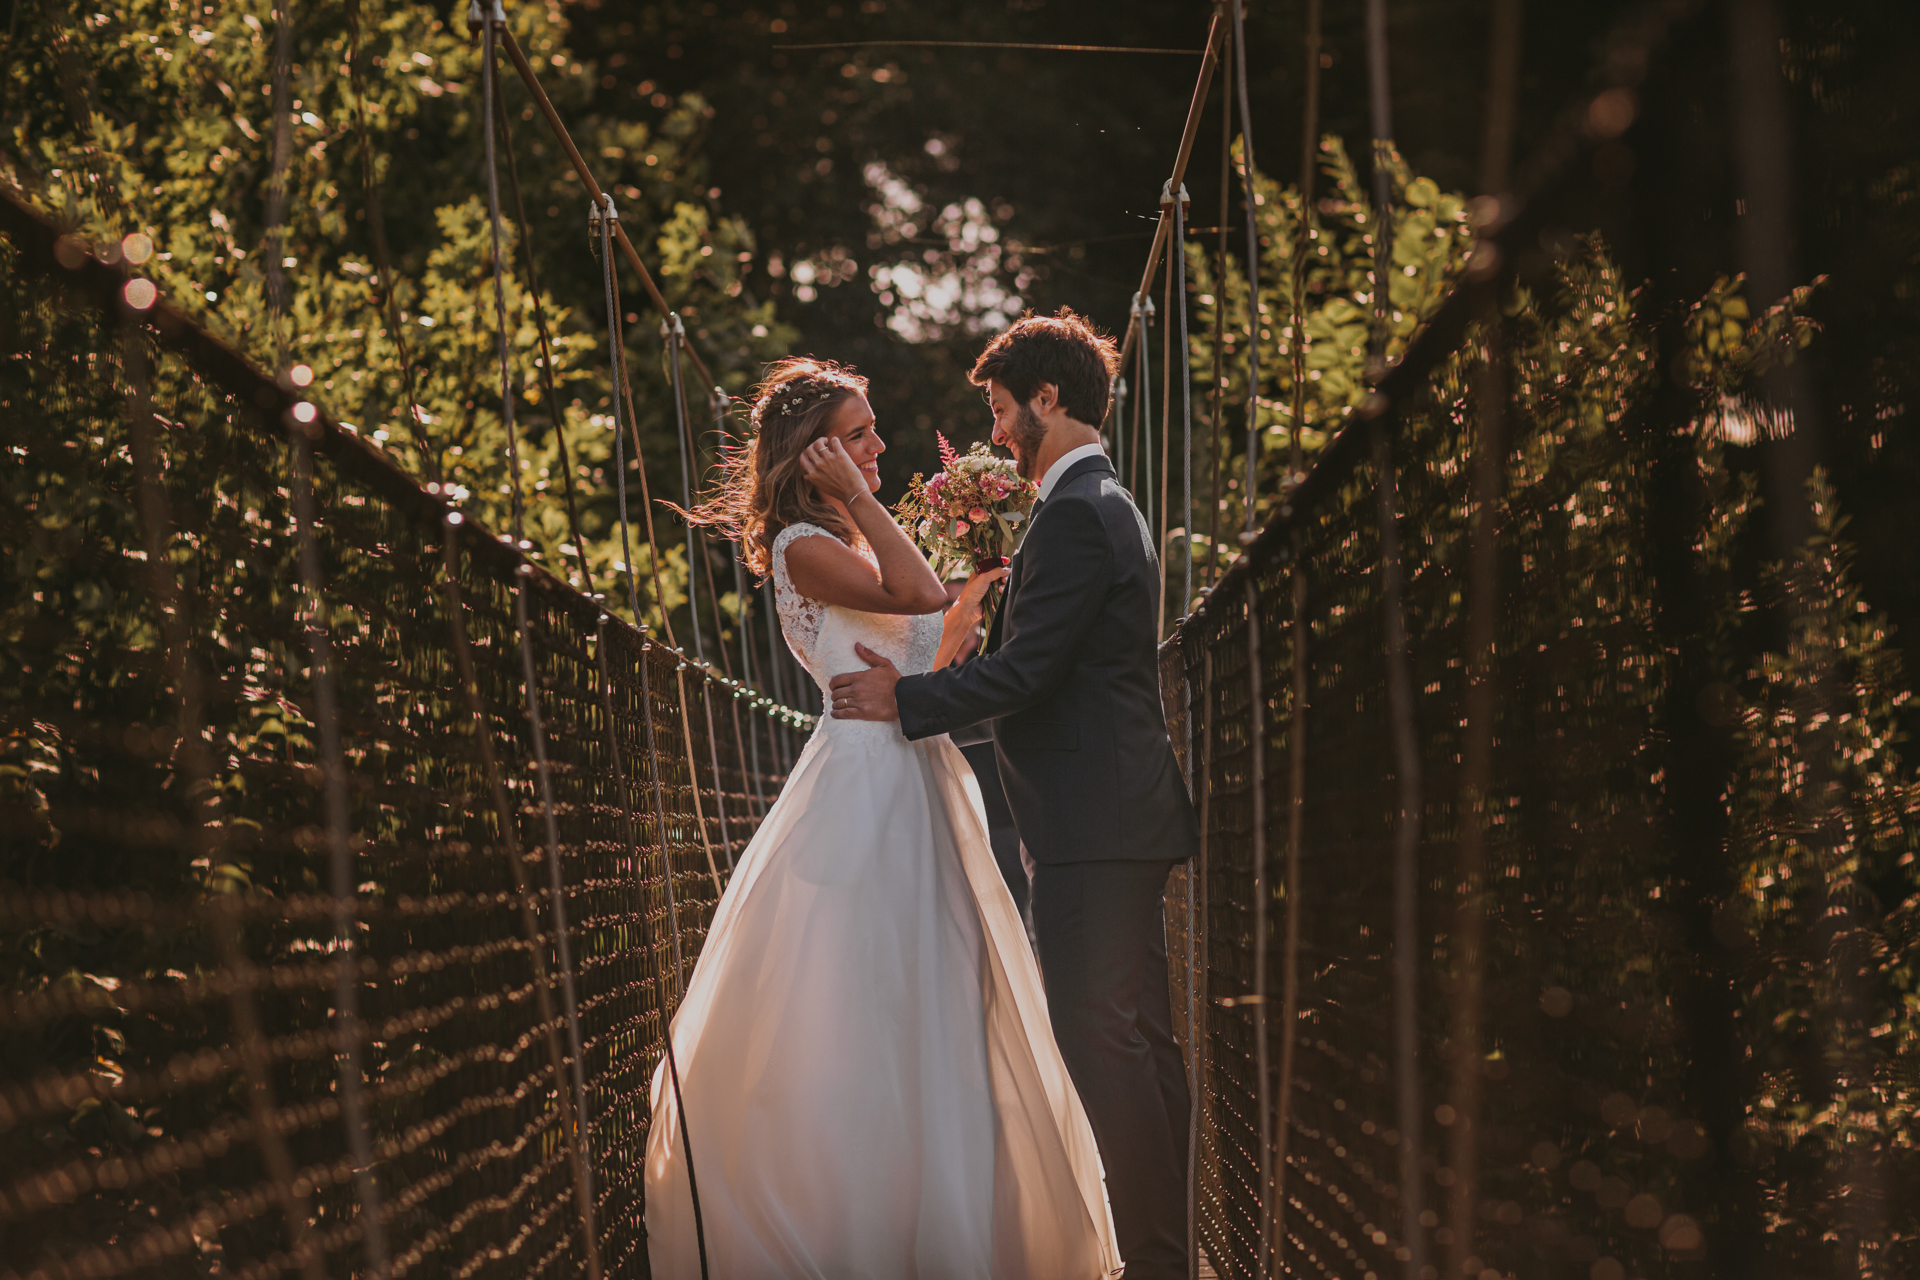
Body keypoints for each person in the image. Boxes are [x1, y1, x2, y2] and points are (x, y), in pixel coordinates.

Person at [642, 356, 1121, 1278]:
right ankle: (852, 1223)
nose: (879, 445)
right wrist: (870, 510)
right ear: (815, 451)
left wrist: (965, 611)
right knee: (866, 993)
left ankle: (941, 1211)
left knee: (935, 989)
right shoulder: (799, 544)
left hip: (918, 775)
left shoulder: (846, 544)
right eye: (859, 433)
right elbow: (915, 593)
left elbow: (921, 641)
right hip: (865, 788)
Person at [829, 310, 1202, 1280]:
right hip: (1109, 813)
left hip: (1097, 819)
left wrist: (905, 696)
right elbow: (1048, 670)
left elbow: (1031, 671)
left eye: (1001, 409)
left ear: (1048, 397)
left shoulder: (1079, 511)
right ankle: (1166, 1252)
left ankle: (1158, 1259)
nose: (995, 432)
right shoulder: (1099, 500)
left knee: (1101, 1037)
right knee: (1138, 1043)